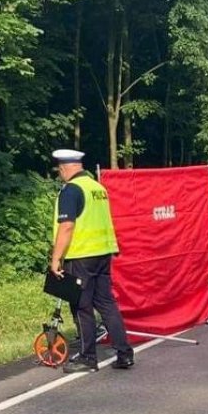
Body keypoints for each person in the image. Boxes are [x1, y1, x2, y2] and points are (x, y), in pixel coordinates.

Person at [49, 149, 135, 373]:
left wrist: (56, 258)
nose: (60, 175)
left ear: (64, 168)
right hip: (103, 253)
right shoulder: (98, 188)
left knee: (81, 306)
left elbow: (67, 226)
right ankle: (124, 352)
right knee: (106, 303)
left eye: (59, 171)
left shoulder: (71, 190)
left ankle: (87, 357)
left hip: (81, 255)